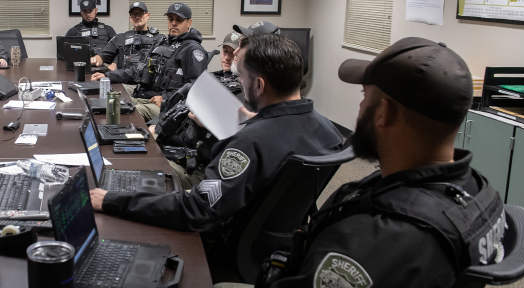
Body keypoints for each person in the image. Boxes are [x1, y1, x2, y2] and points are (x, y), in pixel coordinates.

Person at [27, 37, 505, 288]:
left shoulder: (379, 240)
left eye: (365, 99)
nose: (359, 108)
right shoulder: (475, 194)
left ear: (385, 115)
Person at [92, 33, 343, 275]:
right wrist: (256, 121)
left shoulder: (248, 143)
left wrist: (114, 201)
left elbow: (197, 210)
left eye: (241, 76)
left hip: (223, 253)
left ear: (259, 84)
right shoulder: (329, 132)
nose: (239, 83)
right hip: (279, 252)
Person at [154, 30, 243, 189]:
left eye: (233, 53)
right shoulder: (209, 79)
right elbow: (177, 106)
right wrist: (157, 125)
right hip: (177, 149)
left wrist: (208, 124)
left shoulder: (242, 94)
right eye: (225, 51)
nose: (228, 57)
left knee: (152, 173)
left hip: (201, 170)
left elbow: (235, 141)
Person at [93, 2, 207, 122]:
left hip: (167, 104)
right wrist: (108, 76)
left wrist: (166, 98)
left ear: (189, 22)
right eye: (170, 19)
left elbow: (196, 87)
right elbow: (138, 70)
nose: (173, 23)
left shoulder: (192, 50)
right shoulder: (163, 44)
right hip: (146, 95)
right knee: (107, 103)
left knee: (124, 115)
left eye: (179, 20)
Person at [92, 1, 163, 74]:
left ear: (148, 15)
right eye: (134, 14)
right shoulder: (121, 38)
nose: (137, 17)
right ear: (130, 18)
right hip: (124, 79)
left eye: (141, 13)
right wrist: (95, 60)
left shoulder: (159, 39)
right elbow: (102, 55)